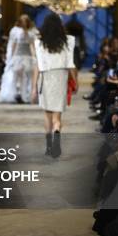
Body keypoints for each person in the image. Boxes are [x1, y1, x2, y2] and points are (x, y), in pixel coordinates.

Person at [31, 12, 77, 157]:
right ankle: (57, 130)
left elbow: (38, 65)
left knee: (47, 115)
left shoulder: (39, 42)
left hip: (46, 77)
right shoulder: (68, 40)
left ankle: (49, 146)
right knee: (57, 117)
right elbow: (70, 64)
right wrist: (75, 81)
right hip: (61, 77)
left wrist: (33, 87)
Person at [0, 15, 38, 103]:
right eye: (22, 21)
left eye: (25, 21)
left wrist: (34, 57)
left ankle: (26, 95)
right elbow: (13, 44)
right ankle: (18, 93)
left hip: (27, 56)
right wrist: (11, 57)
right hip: (18, 56)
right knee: (18, 75)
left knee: (28, 76)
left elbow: (33, 45)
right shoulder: (15, 31)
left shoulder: (32, 31)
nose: (23, 22)